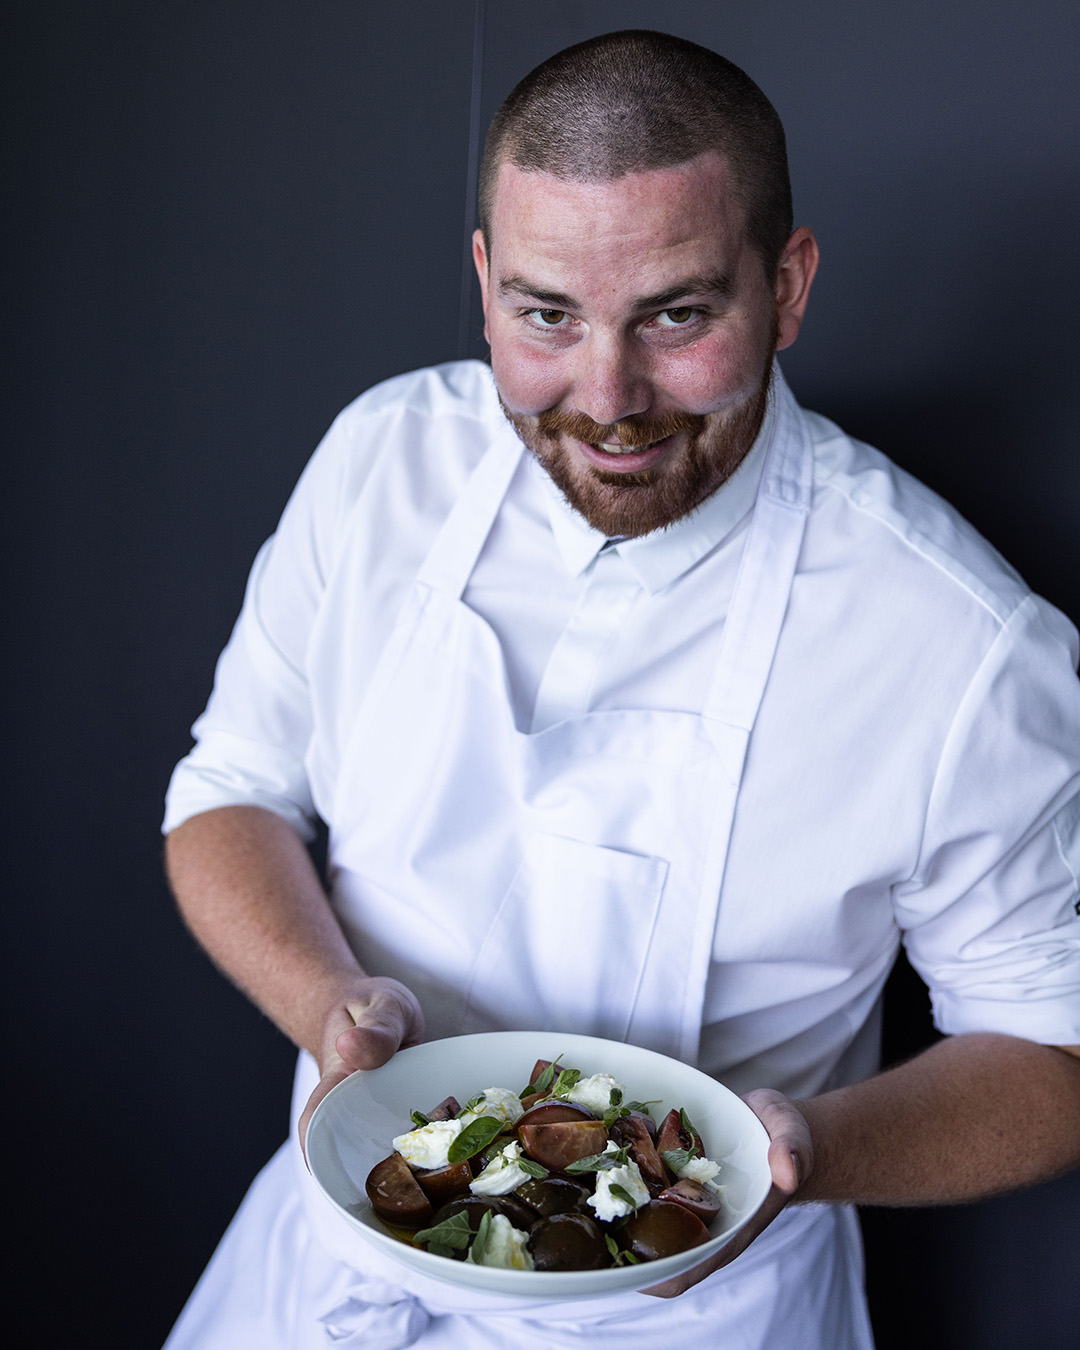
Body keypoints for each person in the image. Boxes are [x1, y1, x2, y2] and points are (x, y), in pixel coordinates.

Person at [161, 29, 1080, 1350]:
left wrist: (804, 1149)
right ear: (483, 281)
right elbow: (229, 794)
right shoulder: (380, 466)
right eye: (546, 314)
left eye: (676, 313)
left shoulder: (964, 641)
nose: (607, 399)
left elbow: (1053, 1057)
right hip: (325, 1284)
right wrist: (326, 1002)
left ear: (789, 284)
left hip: (704, 1320)